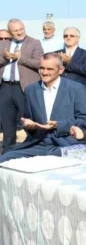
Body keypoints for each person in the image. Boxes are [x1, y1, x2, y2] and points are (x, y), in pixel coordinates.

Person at [0, 53, 86, 163]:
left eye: (49, 69)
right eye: (42, 68)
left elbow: (85, 121)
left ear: (61, 70)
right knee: (4, 160)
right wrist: (29, 126)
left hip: (65, 143)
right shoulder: (31, 90)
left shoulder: (76, 89)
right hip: (37, 143)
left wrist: (58, 125)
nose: (44, 72)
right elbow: (28, 119)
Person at [0, 19, 43, 149]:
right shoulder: (4, 44)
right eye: (15, 30)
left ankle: (34, 147)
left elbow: (39, 63)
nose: (19, 32)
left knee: (28, 119)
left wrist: (20, 58)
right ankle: (7, 151)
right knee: (7, 120)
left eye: (21, 29)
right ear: (10, 32)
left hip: (25, 87)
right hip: (6, 86)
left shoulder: (34, 43)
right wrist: (5, 58)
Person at [58, 27, 86, 92]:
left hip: (78, 90)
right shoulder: (56, 54)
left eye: (72, 36)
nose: (68, 38)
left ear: (78, 38)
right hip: (59, 90)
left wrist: (69, 62)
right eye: (66, 36)